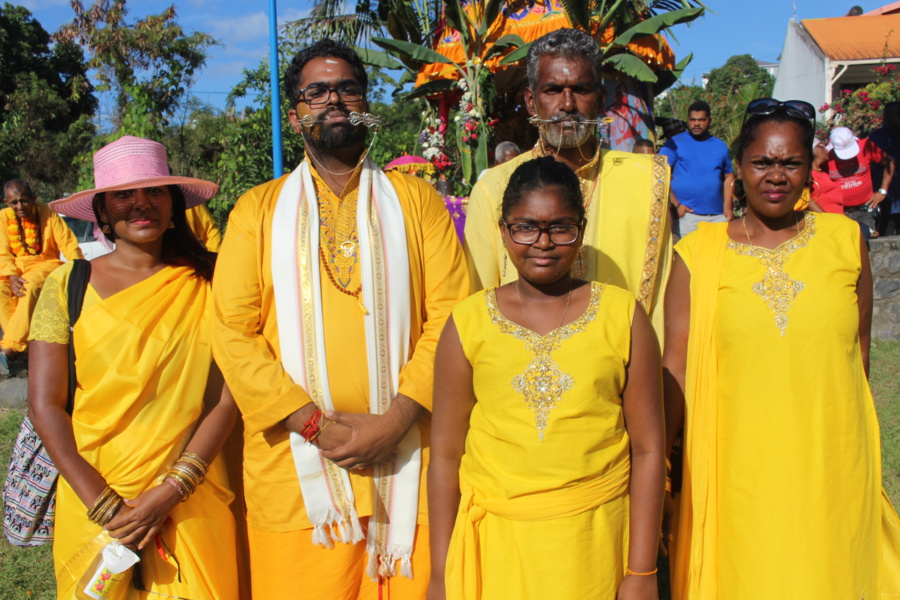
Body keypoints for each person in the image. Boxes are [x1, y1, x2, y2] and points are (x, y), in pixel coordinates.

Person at [211, 39, 469, 599]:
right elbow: (232, 331)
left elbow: (453, 314)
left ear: (366, 101)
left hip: (412, 456)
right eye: (317, 91)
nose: (335, 100)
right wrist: (314, 426)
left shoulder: (417, 200)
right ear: (295, 111)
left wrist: (397, 418)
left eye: (348, 88)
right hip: (295, 468)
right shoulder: (257, 209)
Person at [663, 98, 900, 598]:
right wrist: (661, 461)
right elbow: (677, 369)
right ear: (738, 170)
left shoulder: (844, 240)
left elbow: (856, 353)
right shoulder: (698, 256)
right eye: (762, 163)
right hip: (736, 462)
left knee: (829, 569)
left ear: (808, 170)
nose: (776, 176)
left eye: (790, 163)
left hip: (828, 454)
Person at [428, 157, 664, 600]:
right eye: (525, 227)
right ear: (503, 231)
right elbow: (444, 455)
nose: (543, 242)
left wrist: (643, 570)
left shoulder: (622, 315)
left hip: (592, 543)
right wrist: (441, 575)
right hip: (497, 545)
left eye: (561, 227)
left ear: (582, 228)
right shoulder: (469, 322)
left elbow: (649, 448)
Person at [27, 135, 240, 598]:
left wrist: (171, 490)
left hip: (191, 494)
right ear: (101, 211)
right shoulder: (66, 285)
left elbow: (225, 398)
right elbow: (45, 406)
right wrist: (106, 506)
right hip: (94, 496)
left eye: (154, 191)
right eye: (124, 194)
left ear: (173, 204)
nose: (140, 204)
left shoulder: (214, 281)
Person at [465, 28, 672, 338]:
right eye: (552, 90)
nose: (567, 104)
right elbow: (478, 303)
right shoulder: (494, 187)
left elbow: (662, 307)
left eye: (581, 89)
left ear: (601, 99)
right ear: (531, 102)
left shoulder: (645, 182)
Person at [0, 179, 82, 365]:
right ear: (6, 203)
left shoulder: (49, 213)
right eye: (14, 202)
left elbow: (68, 242)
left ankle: (10, 348)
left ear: (34, 198)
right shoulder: (3, 218)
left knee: (28, 287)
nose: (20, 206)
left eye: (24, 201)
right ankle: (22, 347)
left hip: (45, 264)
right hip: (14, 268)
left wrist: (79, 267)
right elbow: (2, 252)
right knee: (1, 291)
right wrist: (12, 275)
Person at [659, 100, 735, 239]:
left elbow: (729, 177)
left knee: (715, 258)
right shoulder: (674, 144)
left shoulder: (720, 146)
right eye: (693, 120)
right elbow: (660, 174)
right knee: (685, 259)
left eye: (701, 120)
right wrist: (676, 205)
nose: (697, 123)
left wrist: (727, 207)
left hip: (717, 217)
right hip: (687, 217)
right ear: (687, 120)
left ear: (709, 120)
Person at [825, 125, 894, 236]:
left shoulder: (865, 146)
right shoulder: (826, 156)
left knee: (865, 244)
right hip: (839, 211)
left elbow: (889, 162)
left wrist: (883, 191)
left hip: (865, 210)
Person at [870, 101, 900, 235]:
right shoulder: (878, 137)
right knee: (885, 237)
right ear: (887, 116)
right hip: (885, 196)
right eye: (898, 114)